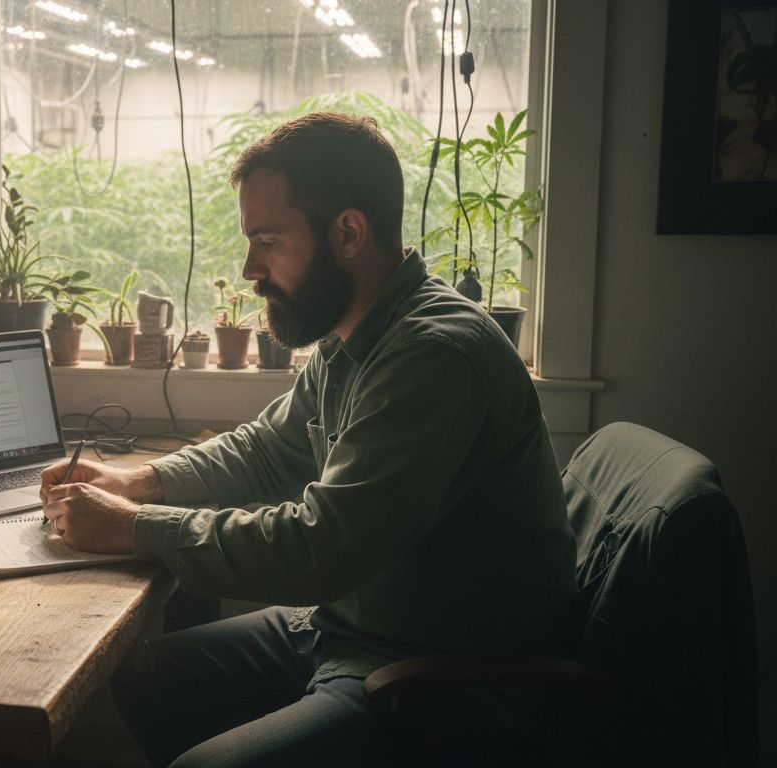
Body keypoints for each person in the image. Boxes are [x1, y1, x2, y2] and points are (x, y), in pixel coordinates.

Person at [39, 112, 576, 767]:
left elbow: (321, 548)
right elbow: (268, 449)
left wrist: (134, 527)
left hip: (439, 672)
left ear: (348, 232)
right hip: (354, 627)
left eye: (267, 240)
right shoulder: (357, 331)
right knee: (147, 675)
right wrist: (132, 484)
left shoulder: (432, 357)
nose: (247, 268)